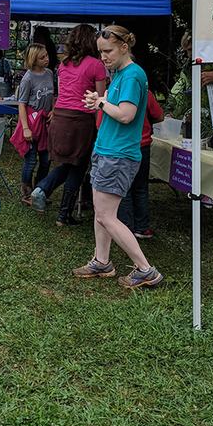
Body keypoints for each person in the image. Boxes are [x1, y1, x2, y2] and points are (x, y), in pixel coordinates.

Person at [76, 25, 163, 289]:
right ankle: (102, 262)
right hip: (108, 151)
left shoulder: (132, 75)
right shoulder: (121, 74)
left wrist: (101, 103)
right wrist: (100, 100)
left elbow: (126, 114)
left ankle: (146, 269)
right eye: (101, 51)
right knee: (102, 213)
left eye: (108, 51)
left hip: (118, 154)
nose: (103, 56)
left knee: (106, 216)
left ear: (125, 47)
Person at [29, 24, 107, 226]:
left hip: (60, 117)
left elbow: (62, 92)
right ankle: (63, 213)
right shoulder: (96, 65)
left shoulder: (63, 65)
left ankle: (43, 189)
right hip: (81, 119)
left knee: (68, 163)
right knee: (78, 165)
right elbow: (100, 99)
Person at [118, 81, 164, 238]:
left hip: (122, 145)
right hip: (142, 143)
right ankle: (141, 227)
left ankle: (125, 228)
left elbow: (100, 123)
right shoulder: (145, 92)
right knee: (141, 187)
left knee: (124, 188)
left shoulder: (114, 92)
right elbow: (159, 115)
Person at [10, 43, 54, 205]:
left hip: (45, 123)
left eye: (47, 56)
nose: (46, 59)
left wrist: (53, 110)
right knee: (31, 160)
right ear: (33, 59)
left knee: (46, 159)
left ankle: (40, 190)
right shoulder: (28, 78)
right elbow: (21, 103)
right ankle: (26, 192)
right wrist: (26, 128)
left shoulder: (49, 73)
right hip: (32, 122)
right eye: (42, 57)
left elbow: (52, 95)